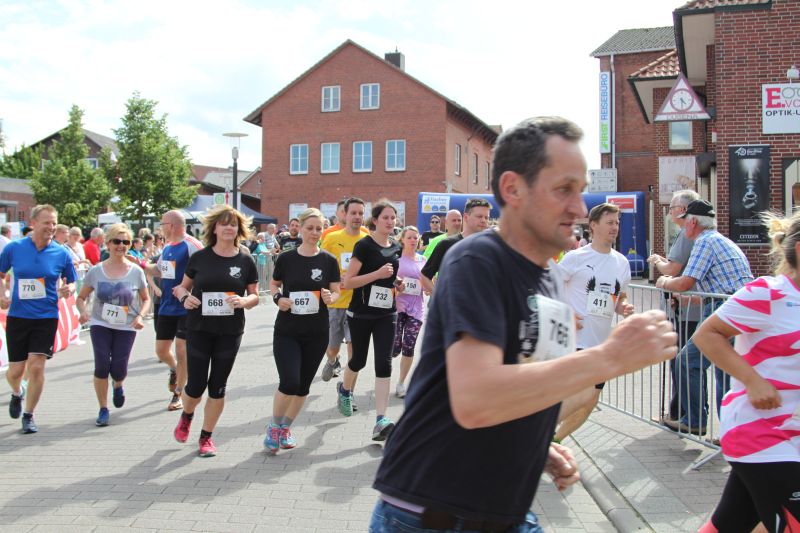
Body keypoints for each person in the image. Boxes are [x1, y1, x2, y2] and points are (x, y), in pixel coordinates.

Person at [369, 117, 677, 532]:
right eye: (564, 189)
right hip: (431, 513)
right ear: (513, 189)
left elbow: (525, 380)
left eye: (580, 190)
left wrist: (534, 445)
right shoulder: (478, 260)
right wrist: (611, 357)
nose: (579, 209)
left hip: (501, 509)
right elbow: (477, 399)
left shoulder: (549, 277)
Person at [693, 211, 800, 533]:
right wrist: (753, 381)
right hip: (760, 433)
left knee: (729, 525)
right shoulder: (769, 293)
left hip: (793, 438)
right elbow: (706, 334)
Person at [656, 199, 754, 435]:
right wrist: (692, 299)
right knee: (725, 371)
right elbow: (722, 286)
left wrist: (664, 282)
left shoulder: (704, 242)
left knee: (687, 361)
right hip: (738, 308)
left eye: (684, 222)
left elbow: (684, 282)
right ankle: (730, 433)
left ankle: (695, 420)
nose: (682, 227)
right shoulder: (722, 241)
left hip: (725, 309)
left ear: (692, 223)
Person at [171, 205, 259, 457]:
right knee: (196, 385)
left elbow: (254, 296)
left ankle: (206, 437)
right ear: (214, 228)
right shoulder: (200, 257)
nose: (229, 227)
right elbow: (181, 288)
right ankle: (187, 414)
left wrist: (244, 301)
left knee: (218, 386)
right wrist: (185, 297)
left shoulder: (245, 260)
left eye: (233, 224)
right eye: (224, 223)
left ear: (239, 229)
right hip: (199, 328)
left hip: (230, 331)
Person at [554, 202, 634, 441]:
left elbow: (620, 296)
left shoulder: (621, 262)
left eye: (617, 222)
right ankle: (536, 439)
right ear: (593, 226)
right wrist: (565, 313)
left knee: (589, 401)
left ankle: (554, 441)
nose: (615, 227)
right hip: (575, 339)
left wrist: (624, 307)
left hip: (600, 342)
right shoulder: (575, 258)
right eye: (609, 222)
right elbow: (549, 286)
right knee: (577, 395)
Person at [264, 208, 340, 454]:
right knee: (289, 382)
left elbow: (336, 291)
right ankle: (274, 426)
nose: (315, 233)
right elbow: (274, 284)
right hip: (287, 330)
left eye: (319, 228)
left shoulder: (328, 260)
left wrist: (330, 297)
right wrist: (278, 298)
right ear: (300, 227)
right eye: (310, 228)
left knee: (303, 386)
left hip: (317, 332)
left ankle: (286, 428)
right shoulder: (287, 258)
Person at [0, 204, 77, 434]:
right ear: (33, 223)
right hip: (18, 316)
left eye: (54, 223)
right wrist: (2, 293)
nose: (51, 227)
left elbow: (72, 281)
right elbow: (1, 274)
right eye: (47, 222)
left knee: (36, 367)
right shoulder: (14, 248)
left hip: (46, 317)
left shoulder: (61, 253)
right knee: (15, 372)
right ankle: (17, 393)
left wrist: (69, 289)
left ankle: (29, 415)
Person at [337, 199, 404, 441]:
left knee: (384, 364)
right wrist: (377, 274)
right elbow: (349, 282)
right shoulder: (364, 246)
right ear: (375, 220)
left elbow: (390, 277)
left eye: (393, 218)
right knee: (358, 360)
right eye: (385, 217)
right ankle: (345, 389)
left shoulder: (396, 246)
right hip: (361, 313)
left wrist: (397, 283)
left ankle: (380, 420)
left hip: (387, 313)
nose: (390, 221)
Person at [76, 224, 150, 426]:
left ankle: (118, 385)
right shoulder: (96, 271)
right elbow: (81, 297)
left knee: (119, 369)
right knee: (101, 366)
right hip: (100, 323)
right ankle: (103, 408)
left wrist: (140, 316)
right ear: (108, 244)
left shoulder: (136, 271)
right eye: (117, 241)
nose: (121, 245)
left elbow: (146, 299)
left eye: (126, 242)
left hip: (126, 326)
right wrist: (83, 312)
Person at [647, 189, 702, 425]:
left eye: (672, 208)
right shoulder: (690, 234)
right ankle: (682, 413)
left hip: (688, 309)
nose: (669, 212)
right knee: (684, 362)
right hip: (688, 307)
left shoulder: (687, 234)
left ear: (683, 210)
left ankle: (683, 415)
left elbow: (672, 269)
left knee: (682, 362)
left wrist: (658, 264)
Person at [147, 210, 203, 411]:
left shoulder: (192, 245)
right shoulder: (168, 246)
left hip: (186, 307)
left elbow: (205, 269)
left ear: (171, 225)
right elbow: (160, 270)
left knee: (181, 350)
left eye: (162, 225)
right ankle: (173, 369)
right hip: (166, 306)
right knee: (161, 351)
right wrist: (139, 264)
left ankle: (178, 392)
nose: (160, 229)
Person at [319, 197, 366, 385]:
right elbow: (320, 266)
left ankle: (347, 391)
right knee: (332, 347)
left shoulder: (367, 239)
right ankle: (332, 360)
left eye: (361, 213)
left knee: (355, 352)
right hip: (336, 302)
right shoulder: (331, 238)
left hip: (358, 304)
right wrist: (334, 279)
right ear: (344, 214)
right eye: (353, 213)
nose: (357, 217)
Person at [392, 226, 432, 398]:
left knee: (409, 346)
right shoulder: (396, 260)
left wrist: (428, 288)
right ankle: (387, 364)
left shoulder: (423, 260)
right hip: (398, 307)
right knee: (394, 347)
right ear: (402, 240)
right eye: (409, 237)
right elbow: (389, 279)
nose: (413, 240)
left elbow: (427, 280)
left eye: (415, 237)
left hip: (416, 309)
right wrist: (397, 285)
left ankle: (401, 383)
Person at [420, 198, 492, 287]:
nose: (483, 220)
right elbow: (424, 276)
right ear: (466, 217)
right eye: (479, 216)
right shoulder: (447, 244)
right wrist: (438, 294)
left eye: (486, 217)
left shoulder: (489, 247)